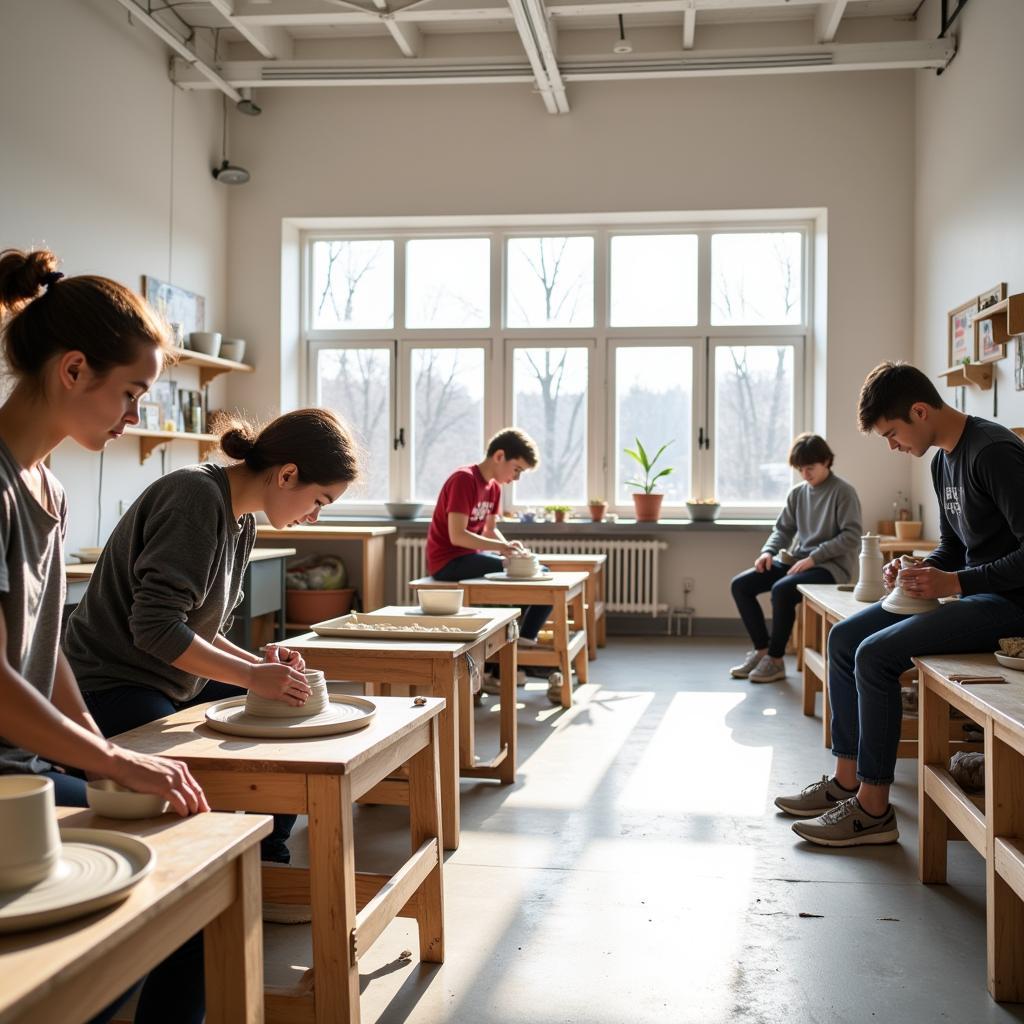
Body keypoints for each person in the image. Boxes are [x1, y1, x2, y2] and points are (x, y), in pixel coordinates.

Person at [0, 247, 208, 1024]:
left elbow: (42, 643)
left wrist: (104, 753)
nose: (134, 416)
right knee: (154, 896)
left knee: (191, 867)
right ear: (75, 369)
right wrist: (111, 756)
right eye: (131, 393)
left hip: (19, 766)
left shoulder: (45, 486)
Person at [65, 407, 359, 878]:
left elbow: (199, 628)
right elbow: (155, 628)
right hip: (110, 684)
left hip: (169, 679)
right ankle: (207, 884)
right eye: (319, 500)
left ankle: (268, 863)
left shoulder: (243, 522)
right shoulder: (194, 497)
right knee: (188, 784)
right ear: (287, 475)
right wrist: (251, 677)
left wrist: (263, 667)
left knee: (282, 720)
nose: (315, 516)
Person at [777, 362, 1024, 847]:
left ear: (919, 410)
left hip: (1010, 605)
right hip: (974, 592)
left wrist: (953, 582)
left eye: (892, 433)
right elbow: (954, 547)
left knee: (875, 655)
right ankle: (846, 780)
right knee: (845, 638)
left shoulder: (993, 452)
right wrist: (915, 570)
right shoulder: (941, 460)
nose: (892, 446)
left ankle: (873, 811)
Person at [426, 427, 553, 695]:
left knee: (538, 573)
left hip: (470, 556)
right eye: (516, 469)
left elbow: (488, 530)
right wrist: (502, 549)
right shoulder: (464, 479)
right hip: (447, 562)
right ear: (499, 455)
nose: (516, 478)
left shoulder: (493, 488)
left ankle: (515, 651)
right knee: (529, 576)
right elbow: (457, 535)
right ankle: (510, 658)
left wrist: (510, 548)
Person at [730, 433, 862, 683]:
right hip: (797, 562)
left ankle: (776, 660)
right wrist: (767, 552)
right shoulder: (797, 493)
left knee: (781, 590)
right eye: (800, 469)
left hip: (830, 567)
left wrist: (815, 557)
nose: (805, 474)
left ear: (826, 461)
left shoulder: (843, 492)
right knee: (741, 585)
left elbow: (851, 536)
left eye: (810, 468)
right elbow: (783, 530)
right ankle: (762, 651)